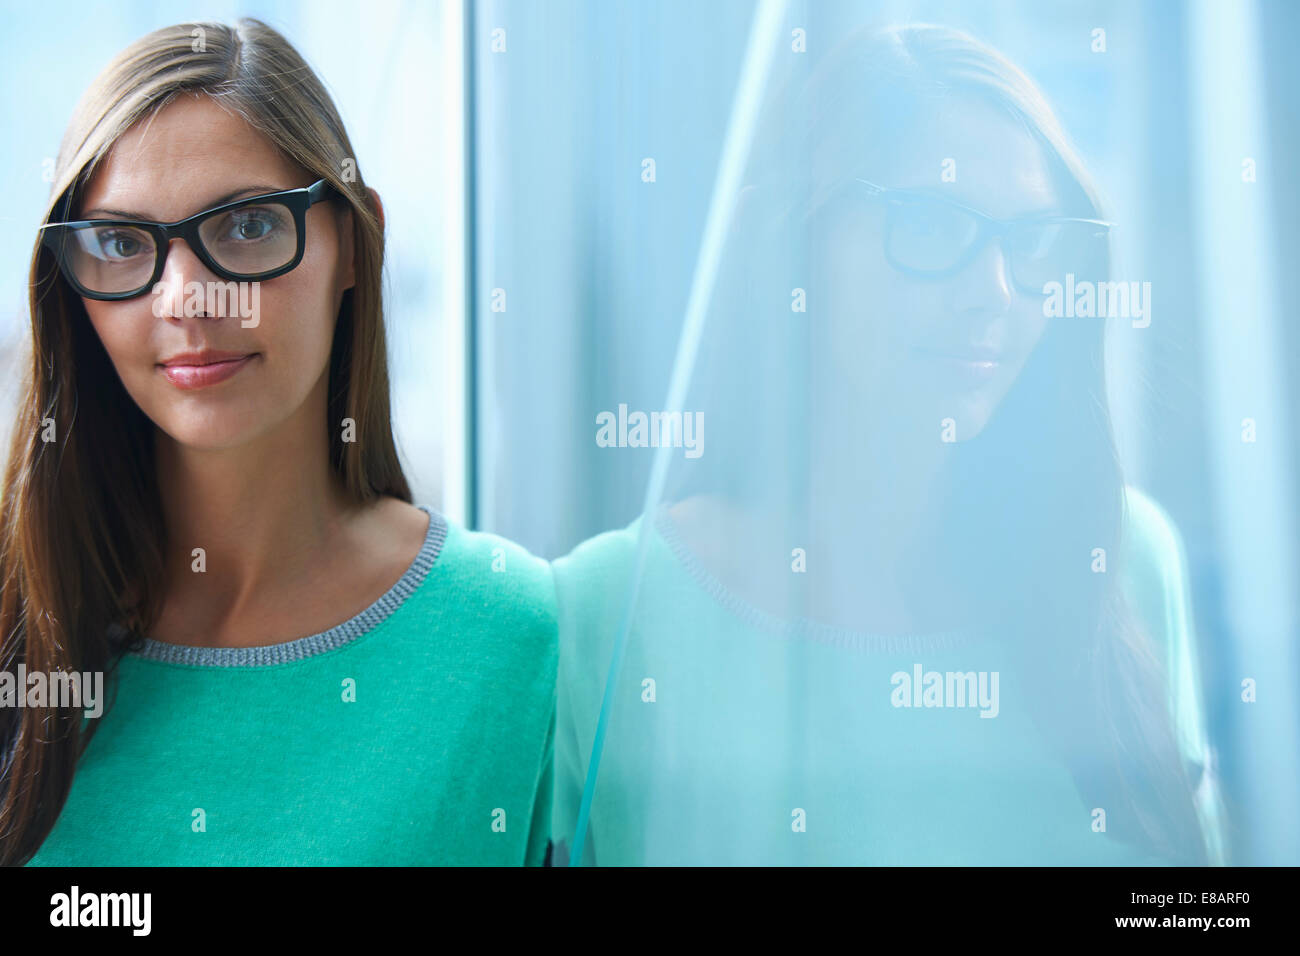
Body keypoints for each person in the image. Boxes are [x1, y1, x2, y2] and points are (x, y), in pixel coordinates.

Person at [551, 23, 1227, 866]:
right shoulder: (610, 615)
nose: (995, 293)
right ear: (794, 246)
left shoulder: (1119, 558)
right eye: (935, 224)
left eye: (1031, 241)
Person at [1, 18, 556, 866]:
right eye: (120, 243)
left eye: (247, 227)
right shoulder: (20, 628)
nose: (188, 301)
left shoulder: (512, 633)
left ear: (353, 244)